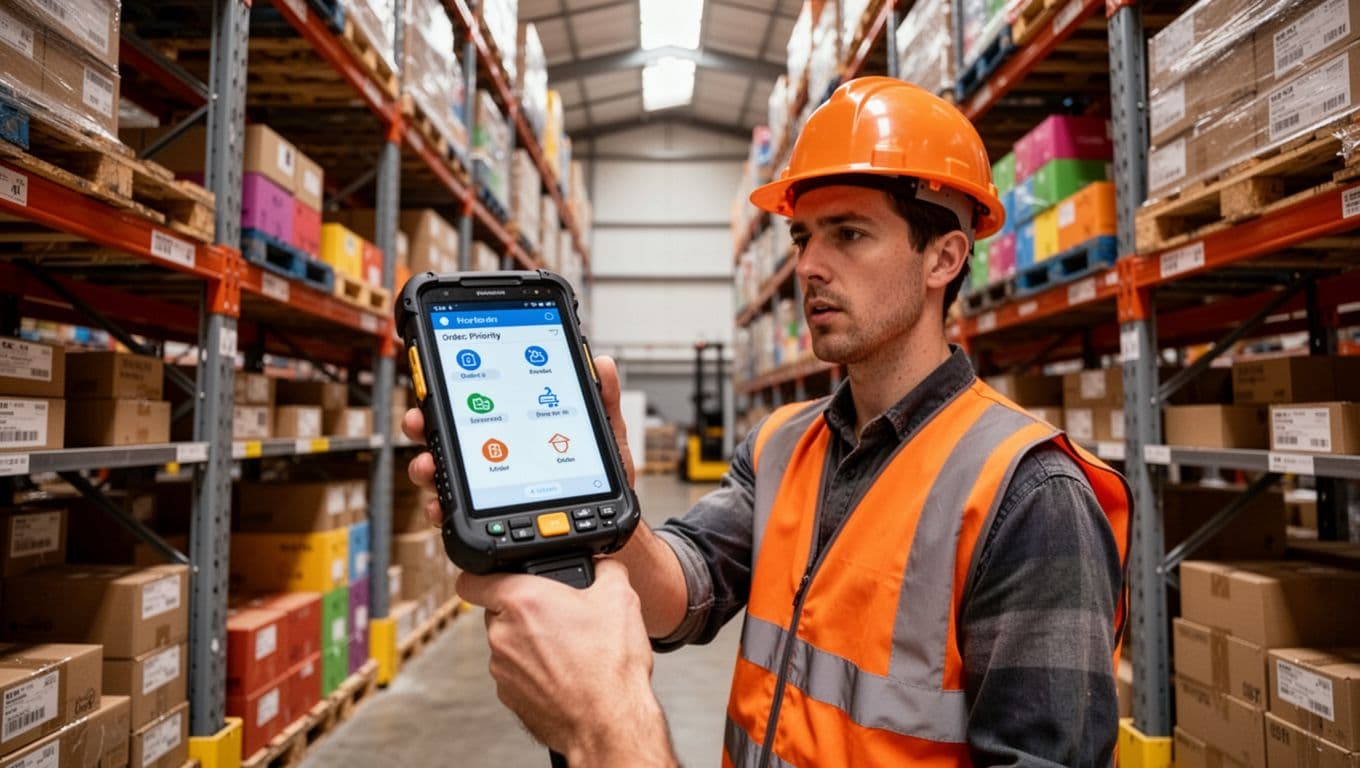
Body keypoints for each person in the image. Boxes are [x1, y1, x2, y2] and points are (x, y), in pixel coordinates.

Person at [404, 77, 1131, 767]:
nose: (808, 266)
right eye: (801, 238)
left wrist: (606, 724)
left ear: (944, 257)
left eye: (848, 234)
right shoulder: (785, 443)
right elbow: (681, 600)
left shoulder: (1029, 494)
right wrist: (613, 512)